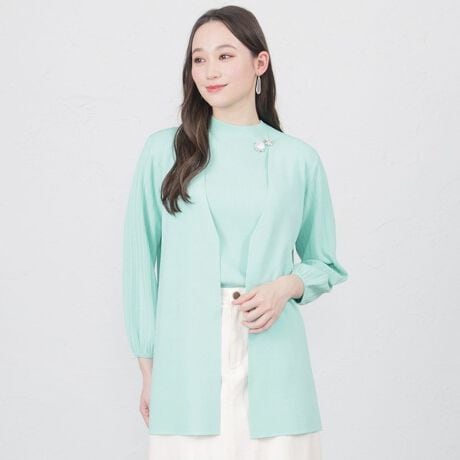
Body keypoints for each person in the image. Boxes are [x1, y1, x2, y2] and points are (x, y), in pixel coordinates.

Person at [122, 5, 348, 460]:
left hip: (275, 361)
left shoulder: (298, 160)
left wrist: (285, 287)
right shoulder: (163, 152)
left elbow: (324, 263)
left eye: (225, 56)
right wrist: (148, 368)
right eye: (199, 59)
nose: (209, 71)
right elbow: (138, 263)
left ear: (259, 63)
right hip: (185, 365)